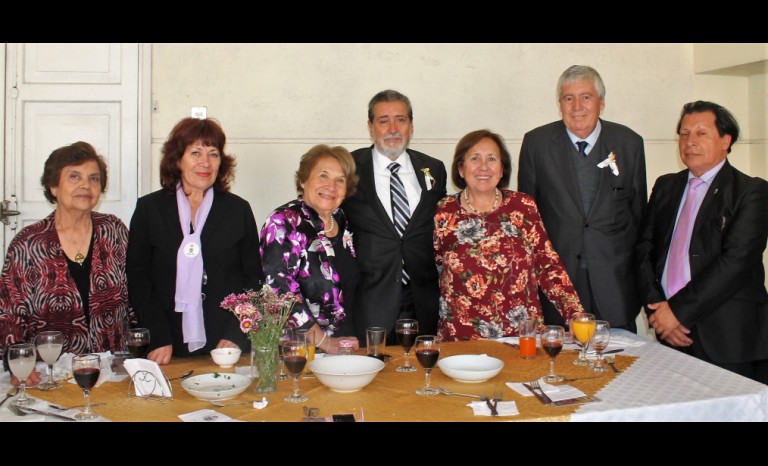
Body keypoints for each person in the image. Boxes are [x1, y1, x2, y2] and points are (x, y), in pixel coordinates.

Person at [635, 101, 768, 384]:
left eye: (701, 133)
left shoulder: (751, 191)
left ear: (725, 140)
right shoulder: (666, 186)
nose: (690, 142)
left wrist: (677, 312)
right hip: (671, 333)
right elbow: (644, 250)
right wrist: (657, 309)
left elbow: (735, 263)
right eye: (684, 134)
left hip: (727, 337)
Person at [518, 65, 647, 331]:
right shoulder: (536, 144)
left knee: (620, 366)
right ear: (560, 104)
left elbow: (639, 218)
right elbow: (527, 222)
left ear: (601, 102)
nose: (577, 106)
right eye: (568, 98)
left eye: (585, 97)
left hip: (615, 285)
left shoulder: (629, 143)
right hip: (558, 285)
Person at [127, 117, 263, 364]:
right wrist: (157, 335)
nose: (205, 162)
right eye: (196, 153)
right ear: (177, 159)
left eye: (213, 154)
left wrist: (237, 333)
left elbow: (253, 279)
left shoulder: (238, 210)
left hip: (226, 346)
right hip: (167, 345)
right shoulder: (149, 209)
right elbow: (138, 279)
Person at [0, 142, 133, 383]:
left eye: (94, 179)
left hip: (112, 368)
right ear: (53, 186)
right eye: (74, 176)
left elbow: (137, 294)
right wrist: (18, 361)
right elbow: (9, 314)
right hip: (49, 374)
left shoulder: (114, 231)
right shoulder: (28, 243)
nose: (86, 185)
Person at [434, 130, 583, 341]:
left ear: (502, 169)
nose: (483, 167)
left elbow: (547, 264)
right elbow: (433, 269)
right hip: (460, 339)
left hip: (521, 336)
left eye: (492, 159)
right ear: (460, 168)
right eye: (474, 158)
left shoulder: (523, 206)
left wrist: (573, 312)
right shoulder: (444, 211)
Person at [341, 90, 447, 344]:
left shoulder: (434, 168)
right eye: (383, 120)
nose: (392, 128)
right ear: (370, 127)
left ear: (411, 125)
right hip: (369, 300)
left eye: (400, 119)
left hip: (422, 301)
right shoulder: (349, 167)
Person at [260, 145, 360, 353]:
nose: (331, 186)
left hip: (346, 350)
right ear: (304, 180)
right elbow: (279, 293)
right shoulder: (284, 223)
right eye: (323, 176)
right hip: (298, 354)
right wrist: (325, 342)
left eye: (340, 180)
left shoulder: (345, 223)